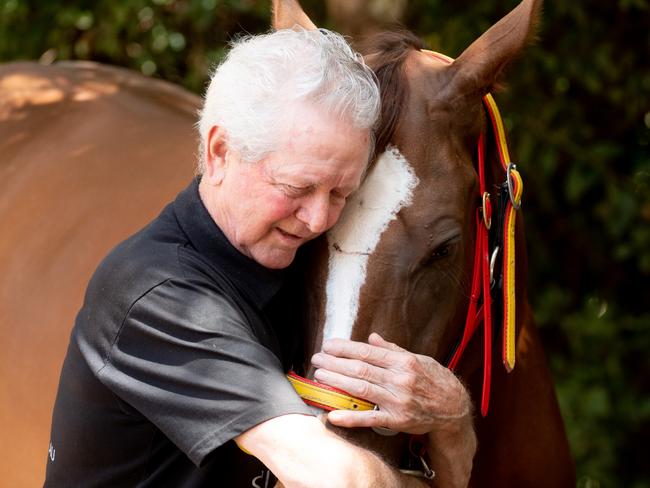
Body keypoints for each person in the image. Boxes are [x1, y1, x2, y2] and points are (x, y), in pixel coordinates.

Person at [45, 28, 475, 487]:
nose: (317, 219)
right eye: (297, 188)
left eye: (341, 194)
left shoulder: (291, 261)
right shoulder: (156, 295)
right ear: (219, 153)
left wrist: (452, 419)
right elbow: (343, 481)